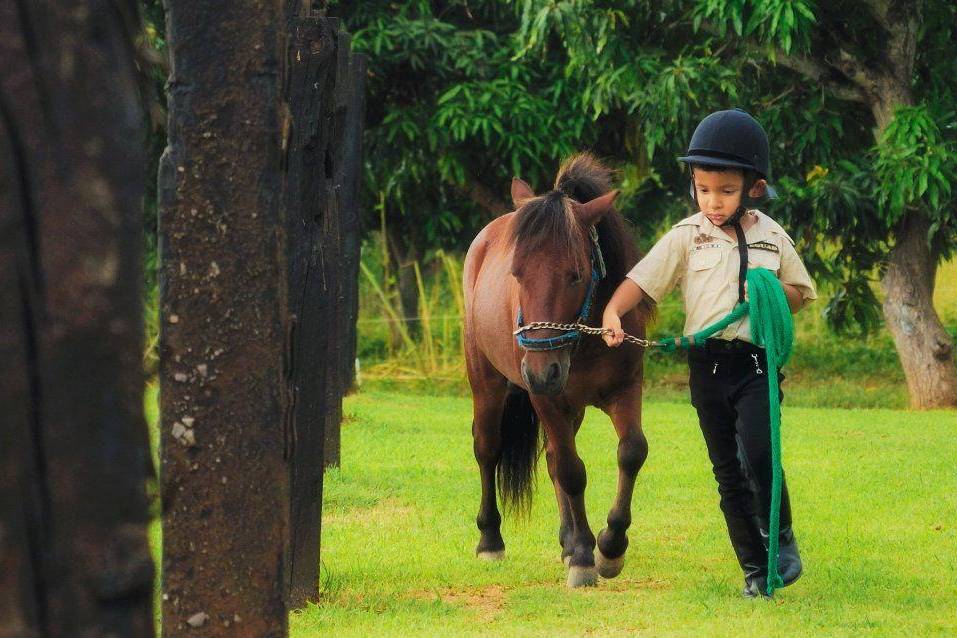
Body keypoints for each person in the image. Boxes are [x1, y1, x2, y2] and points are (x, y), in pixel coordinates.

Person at [601, 108, 817, 598]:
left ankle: (781, 539)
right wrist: (614, 313)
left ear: (753, 188)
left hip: (756, 363)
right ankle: (755, 571)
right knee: (728, 472)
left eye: (725, 190)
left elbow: (802, 294)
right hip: (708, 368)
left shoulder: (771, 235)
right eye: (703, 189)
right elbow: (641, 280)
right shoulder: (687, 235)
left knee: (760, 453)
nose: (713, 201)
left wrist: (772, 291)